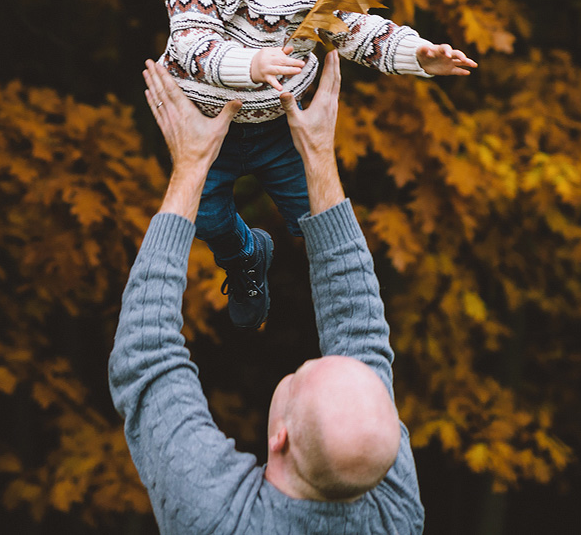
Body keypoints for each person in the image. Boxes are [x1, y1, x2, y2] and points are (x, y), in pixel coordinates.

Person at [160, 0, 475, 327]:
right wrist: (253, 63)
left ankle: (343, 307)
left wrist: (418, 54)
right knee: (207, 217)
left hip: (280, 127)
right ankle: (245, 258)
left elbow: (352, 30)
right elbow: (190, 46)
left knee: (317, 219)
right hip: (209, 126)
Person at [110, 52, 425, 534]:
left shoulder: (219, 519)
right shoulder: (395, 518)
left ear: (281, 437)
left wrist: (191, 167)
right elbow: (359, 334)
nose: (318, 359)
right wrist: (317, 152)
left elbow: (146, 358)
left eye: (302, 375)